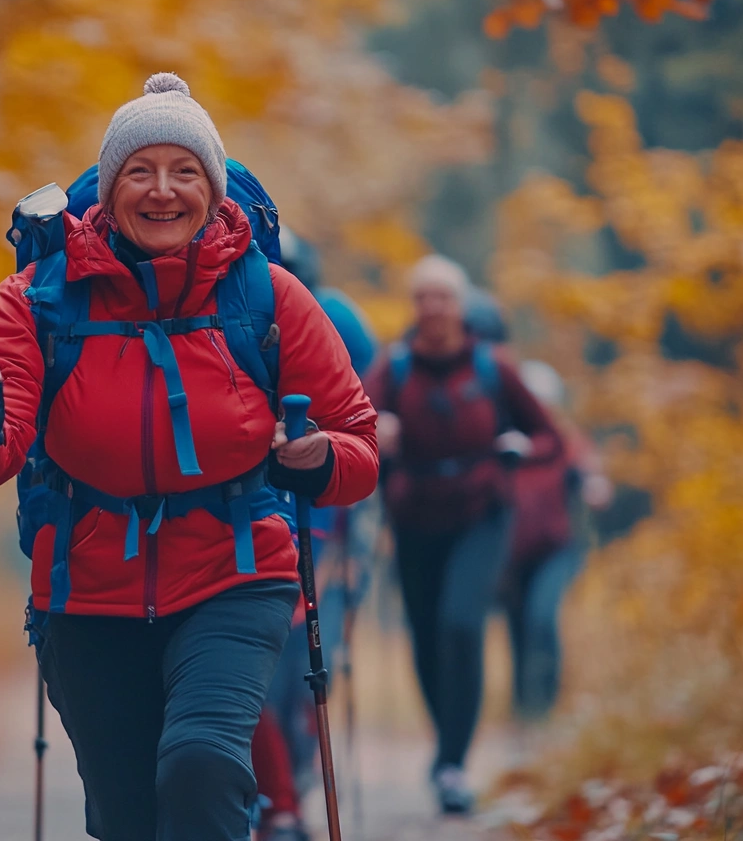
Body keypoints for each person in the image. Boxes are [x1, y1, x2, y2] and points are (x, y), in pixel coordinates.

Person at [0, 73, 379, 841]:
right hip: (85, 585)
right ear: (107, 193)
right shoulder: (38, 300)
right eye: (140, 172)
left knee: (201, 765)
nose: (163, 192)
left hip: (235, 571)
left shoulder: (269, 297)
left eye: (185, 173)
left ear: (213, 187)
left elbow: (359, 446)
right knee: (126, 815)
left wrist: (315, 457)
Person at [363, 255, 561, 816]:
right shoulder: (395, 367)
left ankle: (452, 762)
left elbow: (550, 437)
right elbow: (353, 416)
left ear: (460, 304)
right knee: (425, 638)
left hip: (481, 514)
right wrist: (380, 427)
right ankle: (446, 747)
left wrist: (520, 450)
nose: (432, 307)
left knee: (460, 623)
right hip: (415, 517)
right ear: (414, 305)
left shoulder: (492, 366)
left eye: (442, 297)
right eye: (422, 297)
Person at [253, 233, 381, 841]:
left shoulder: (338, 319)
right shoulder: (228, 311)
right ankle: (276, 788)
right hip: (271, 517)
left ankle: (293, 771)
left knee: (312, 654)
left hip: (324, 522)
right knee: (271, 665)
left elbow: (364, 405)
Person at [501, 360, 613, 720]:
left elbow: (589, 475)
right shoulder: (509, 442)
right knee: (517, 627)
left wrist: (594, 485)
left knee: (542, 616)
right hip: (512, 554)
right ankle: (524, 709)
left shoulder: (565, 442)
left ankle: (545, 704)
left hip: (557, 550)